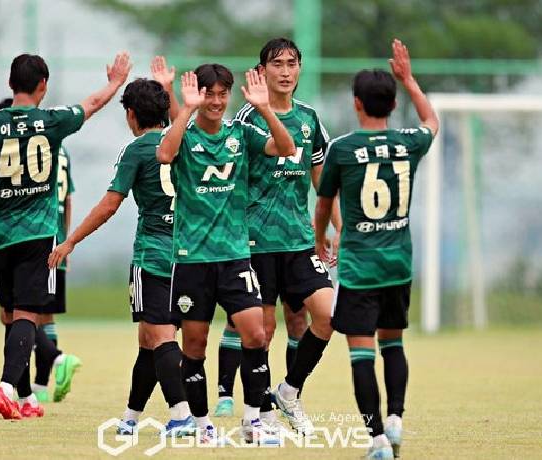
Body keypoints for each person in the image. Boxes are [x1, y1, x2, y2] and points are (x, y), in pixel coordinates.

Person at [0, 51, 132, 420]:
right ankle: (6, 388)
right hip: (38, 234)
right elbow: (92, 104)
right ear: (43, 85)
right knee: (26, 315)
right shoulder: (52, 121)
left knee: (11, 315)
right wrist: (114, 82)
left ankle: (27, 398)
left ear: (10, 84)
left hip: (0, 236)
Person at [48, 66, 196, 437]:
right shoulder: (185, 142)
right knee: (149, 339)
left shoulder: (137, 149)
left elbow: (110, 204)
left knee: (161, 338)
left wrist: (71, 240)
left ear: (131, 114)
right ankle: (130, 418)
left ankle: (183, 416)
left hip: (154, 255)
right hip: (189, 255)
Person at [157, 65, 295, 444]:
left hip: (235, 257)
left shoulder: (241, 133)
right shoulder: (185, 134)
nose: (217, 102)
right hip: (192, 260)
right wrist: (185, 109)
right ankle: (203, 426)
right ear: (199, 95)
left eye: (222, 94)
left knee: (256, 334)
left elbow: (286, 149)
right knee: (195, 346)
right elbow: (165, 155)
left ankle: (253, 421)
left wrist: (265, 108)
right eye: (209, 94)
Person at [315, 39, 439, 459]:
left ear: (356, 104)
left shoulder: (343, 149)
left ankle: (377, 442)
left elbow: (323, 204)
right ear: (391, 103)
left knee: (361, 353)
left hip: (359, 269)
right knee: (394, 344)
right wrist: (409, 79)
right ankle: (397, 420)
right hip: (398, 265)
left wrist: (320, 238)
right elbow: (432, 121)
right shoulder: (409, 143)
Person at [214, 39, 340, 432]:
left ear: (300, 69)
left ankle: (289, 392)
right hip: (255, 242)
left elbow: (323, 182)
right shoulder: (247, 120)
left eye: (292, 64)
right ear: (262, 71)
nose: (285, 71)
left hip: (300, 240)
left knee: (327, 315)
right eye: (277, 64)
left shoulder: (310, 119)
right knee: (262, 331)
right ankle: (260, 413)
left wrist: (336, 228)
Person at [0, 98, 80, 408]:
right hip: (52, 237)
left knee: (20, 313)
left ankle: (50, 363)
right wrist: (66, 239)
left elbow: (14, 201)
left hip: (33, 237)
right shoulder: (56, 144)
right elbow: (68, 198)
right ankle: (29, 392)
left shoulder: (25, 146)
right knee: (29, 312)